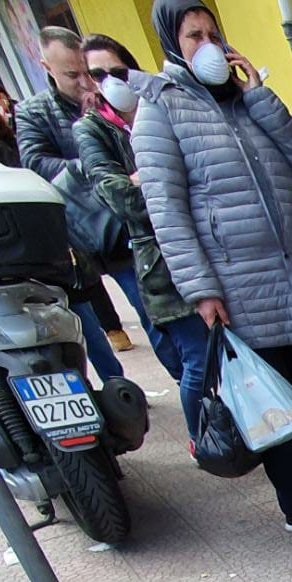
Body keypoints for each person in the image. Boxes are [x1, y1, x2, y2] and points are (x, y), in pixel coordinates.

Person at [133, 0, 292, 536]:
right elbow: (166, 211)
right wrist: (201, 289)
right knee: (270, 400)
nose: (208, 46)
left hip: (290, 269)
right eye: (193, 36)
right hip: (234, 280)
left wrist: (258, 93)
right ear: (172, 44)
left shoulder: (247, 102)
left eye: (212, 33)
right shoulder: (161, 107)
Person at [76, 34, 201, 406]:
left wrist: (147, 176)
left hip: (199, 240)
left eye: (117, 70)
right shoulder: (92, 129)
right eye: (98, 74)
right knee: (191, 355)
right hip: (146, 256)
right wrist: (163, 172)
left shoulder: (161, 106)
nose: (110, 81)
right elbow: (122, 198)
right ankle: (207, 438)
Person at [13, 28, 134, 374]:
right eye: (72, 74)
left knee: (154, 315)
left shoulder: (109, 95)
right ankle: (118, 394)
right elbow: (35, 163)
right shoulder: (34, 112)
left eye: (87, 71)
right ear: (46, 67)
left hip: (118, 223)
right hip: (74, 234)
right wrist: (93, 165)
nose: (84, 81)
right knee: (86, 325)